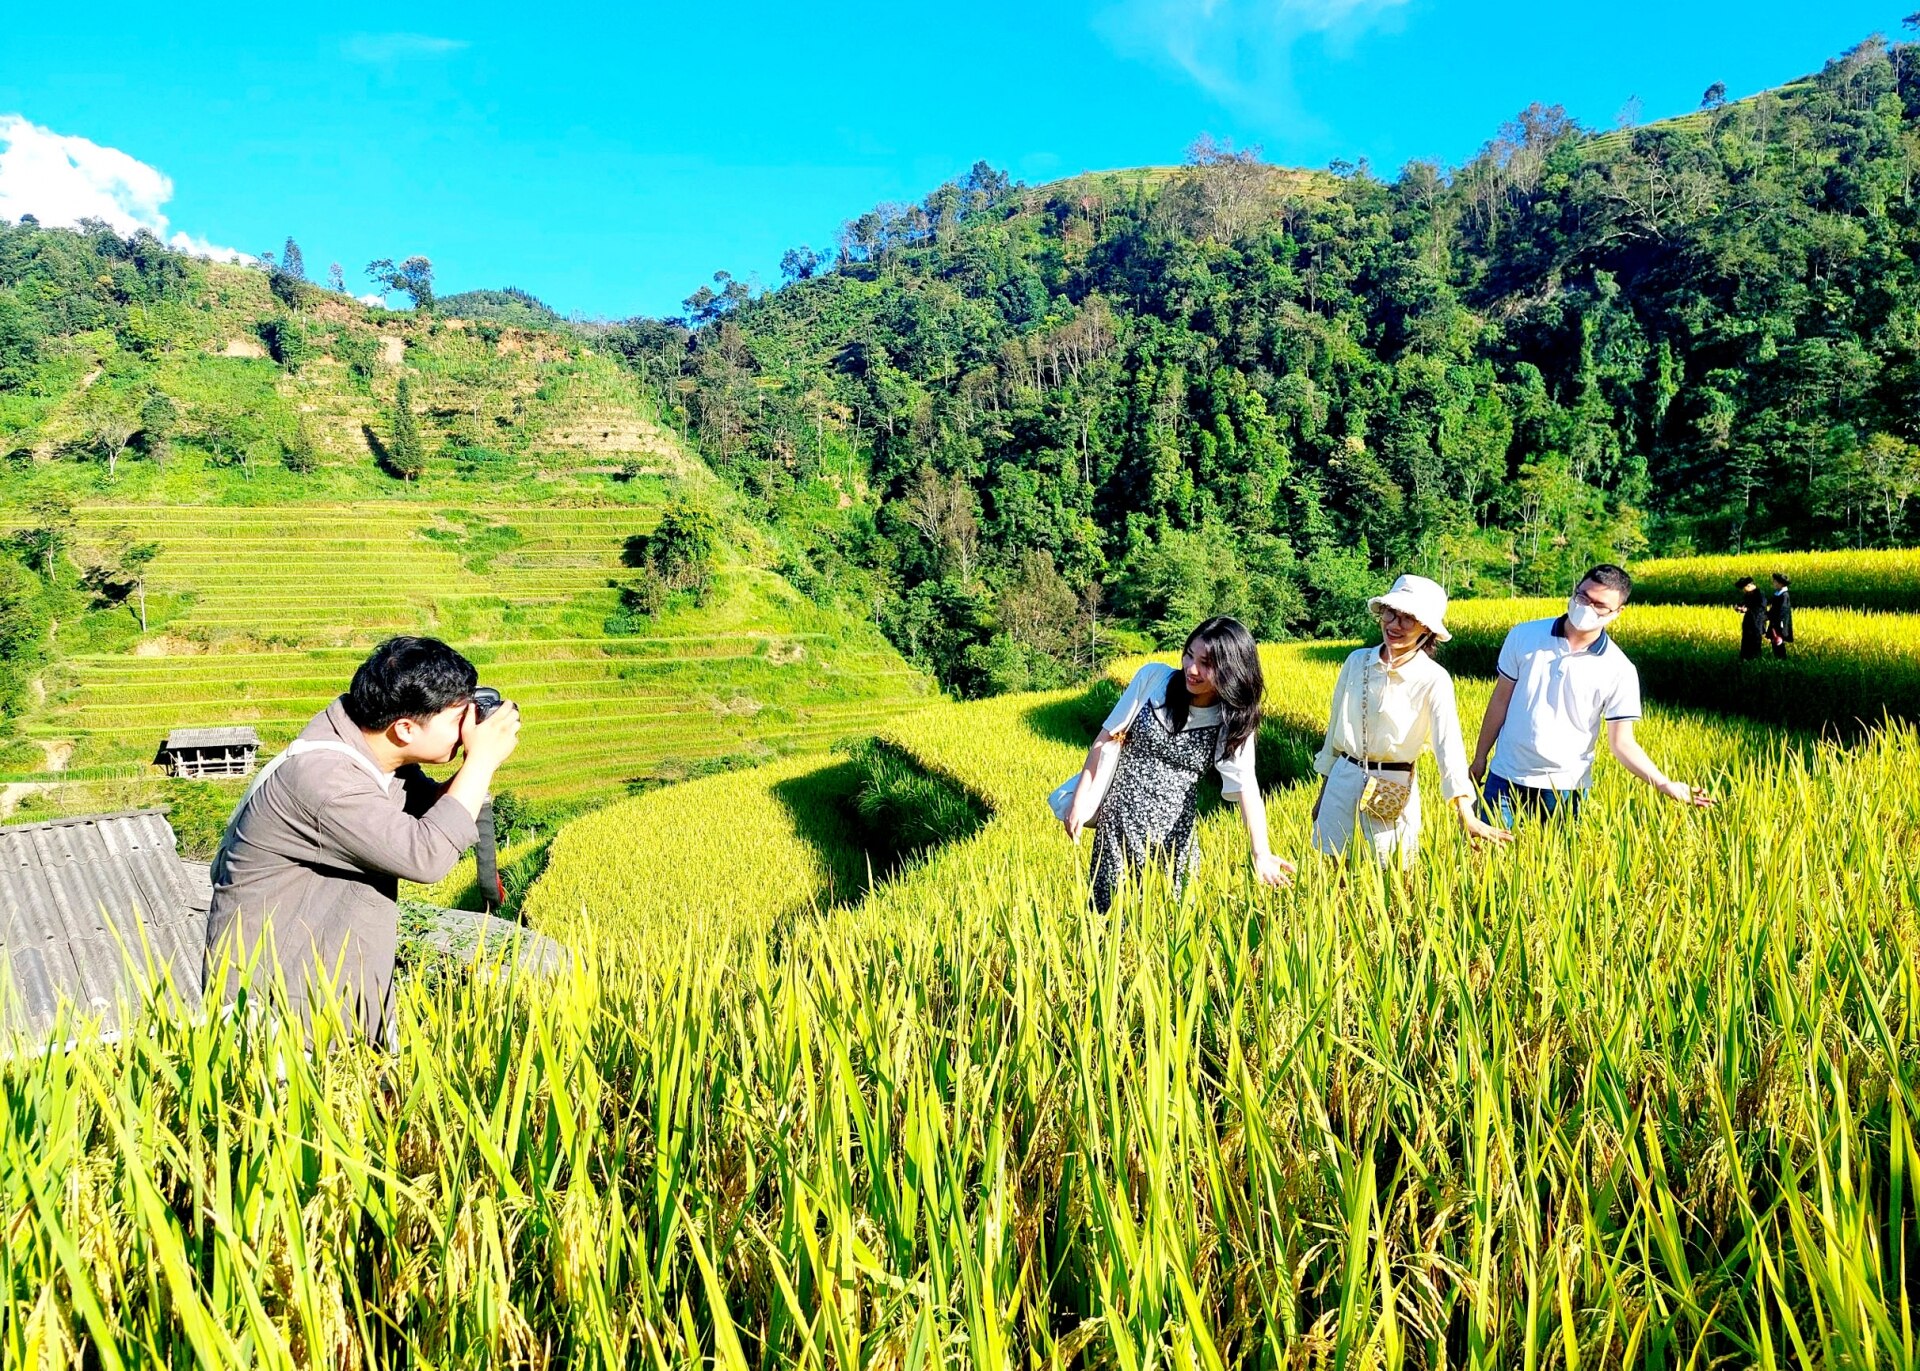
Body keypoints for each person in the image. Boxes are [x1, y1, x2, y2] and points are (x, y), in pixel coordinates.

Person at [205, 636, 521, 1044]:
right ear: (405, 728)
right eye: (455, 720)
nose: (464, 731)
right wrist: (481, 760)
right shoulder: (325, 781)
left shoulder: (376, 749)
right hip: (279, 1016)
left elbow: (433, 810)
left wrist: (476, 762)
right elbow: (426, 855)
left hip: (336, 994)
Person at [1058, 616, 1293, 911]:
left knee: (1173, 924)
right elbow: (1105, 740)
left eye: (1206, 663)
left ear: (1231, 670)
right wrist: (1080, 800)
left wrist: (1261, 852)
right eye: (1189, 655)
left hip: (1174, 837)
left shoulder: (1231, 720)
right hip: (1117, 827)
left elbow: (1246, 786)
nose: (1191, 669)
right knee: (1108, 923)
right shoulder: (1153, 679)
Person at [1468, 564, 1714, 824]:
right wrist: (1480, 758)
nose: (1586, 607)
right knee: (1485, 855)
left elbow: (1622, 743)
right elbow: (1500, 700)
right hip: (1505, 775)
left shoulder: (1619, 669)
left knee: (1557, 862)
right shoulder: (1524, 636)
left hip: (1565, 787)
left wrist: (1664, 783)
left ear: (1618, 612)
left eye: (1600, 605)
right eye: (1583, 596)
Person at [1310, 575, 1512, 866]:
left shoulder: (1433, 680)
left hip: (1393, 787)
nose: (1394, 624)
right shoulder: (1356, 662)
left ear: (1426, 629)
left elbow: (1449, 749)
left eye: (1408, 618)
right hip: (1342, 779)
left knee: (1390, 874)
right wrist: (1323, 796)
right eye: (1391, 613)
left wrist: (1465, 813)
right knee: (1332, 869)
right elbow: (1334, 737)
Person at [1735, 576, 1766, 660]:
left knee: (1755, 642)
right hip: (1748, 622)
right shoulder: (1748, 594)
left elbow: (1760, 609)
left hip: (1756, 623)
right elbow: (1744, 603)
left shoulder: (1759, 594)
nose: (1743, 591)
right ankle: (1744, 658)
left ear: (1749, 586)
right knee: (1745, 642)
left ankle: (1755, 659)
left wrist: (1748, 609)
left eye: (1744, 588)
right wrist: (1739, 607)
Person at [1767, 572, 1794, 658]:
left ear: (1780, 583)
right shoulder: (1778, 594)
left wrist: (1780, 624)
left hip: (1779, 623)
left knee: (1778, 642)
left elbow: (1783, 611)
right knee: (1775, 642)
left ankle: (1782, 660)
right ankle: (1778, 660)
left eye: (1775, 582)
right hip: (1775, 622)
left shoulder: (1784, 595)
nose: (1773, 583)